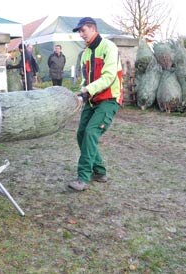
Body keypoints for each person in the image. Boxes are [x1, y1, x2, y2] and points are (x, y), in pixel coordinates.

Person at [67, 17, 123, 192]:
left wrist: (87, 91)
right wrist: (82, 92)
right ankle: (99, 171)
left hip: (109, 100)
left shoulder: (109, 47)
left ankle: (83, 177)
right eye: (80, 32)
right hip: (92, 100)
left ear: (92, 29)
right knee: (81, 134)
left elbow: (109, 77)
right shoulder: (85, 53)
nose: (81, 35)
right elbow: (85, 78)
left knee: (91, 133)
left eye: (83, 31)